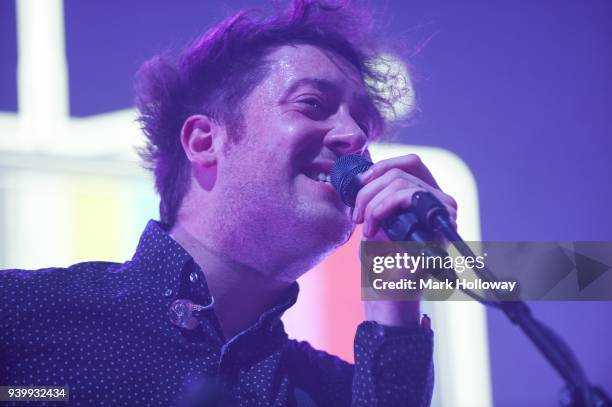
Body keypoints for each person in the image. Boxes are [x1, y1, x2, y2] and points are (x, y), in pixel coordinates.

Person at [0, 0, 457, 405]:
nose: (355, 136)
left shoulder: (336, 393)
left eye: (364, 125)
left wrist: (393, 298)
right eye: (313, 104)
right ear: (204, 141)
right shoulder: (23, 315)